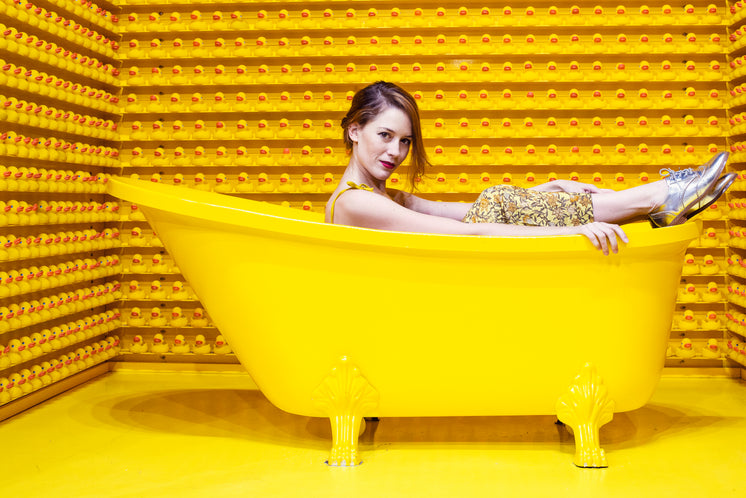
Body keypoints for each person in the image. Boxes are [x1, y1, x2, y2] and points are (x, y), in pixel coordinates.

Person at [325, 81, 734, 255]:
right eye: (385, 135)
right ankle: (655, 198)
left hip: (439, 277)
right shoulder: (355, 205)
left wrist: (550, 189)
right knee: (499, 198)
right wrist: (572, 229)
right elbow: (473, 230)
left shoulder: (379, 196)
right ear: (354, 130)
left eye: (405, 141)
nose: (396, 151)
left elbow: (462, 211)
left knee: (497, 196)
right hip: (429, 293)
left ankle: (651, 201)